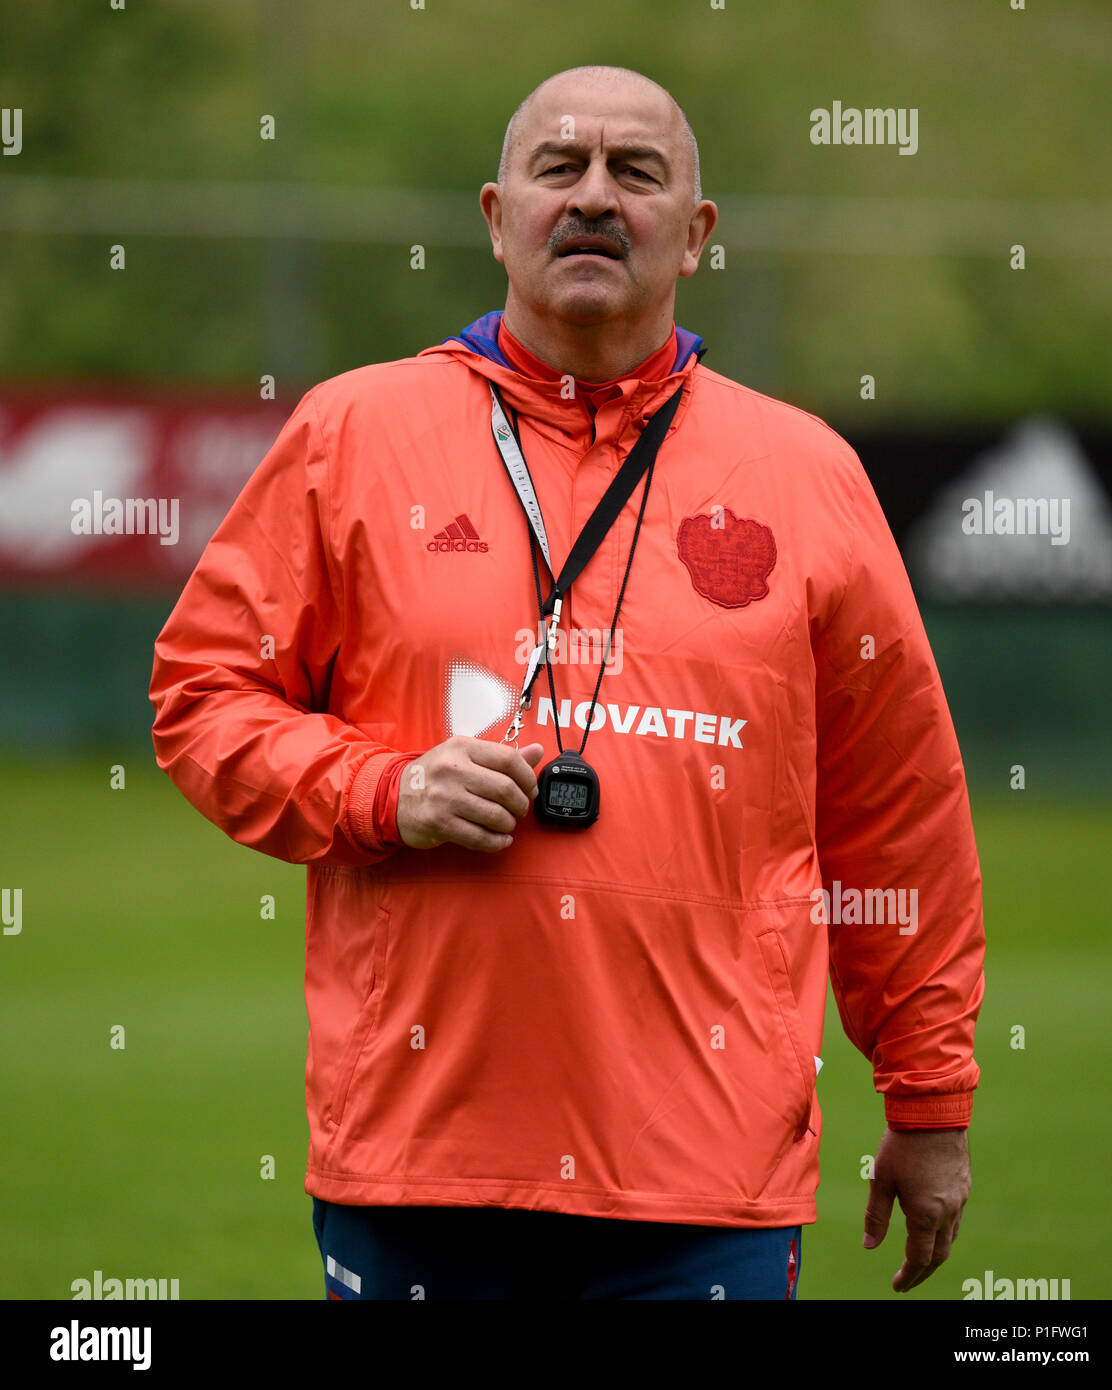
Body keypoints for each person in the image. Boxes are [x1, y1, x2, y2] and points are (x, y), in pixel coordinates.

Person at [149, 65, 985, 1301]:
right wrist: (380, 790)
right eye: (559, 168)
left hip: (706, 1177)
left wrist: (927, 1096)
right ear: (496, 215)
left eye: (635, 173)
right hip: (419, 1159)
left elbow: (895, 814)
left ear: (694, 236)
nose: (594, 197)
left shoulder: (806, 475)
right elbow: (201, 698)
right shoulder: (351, 435)